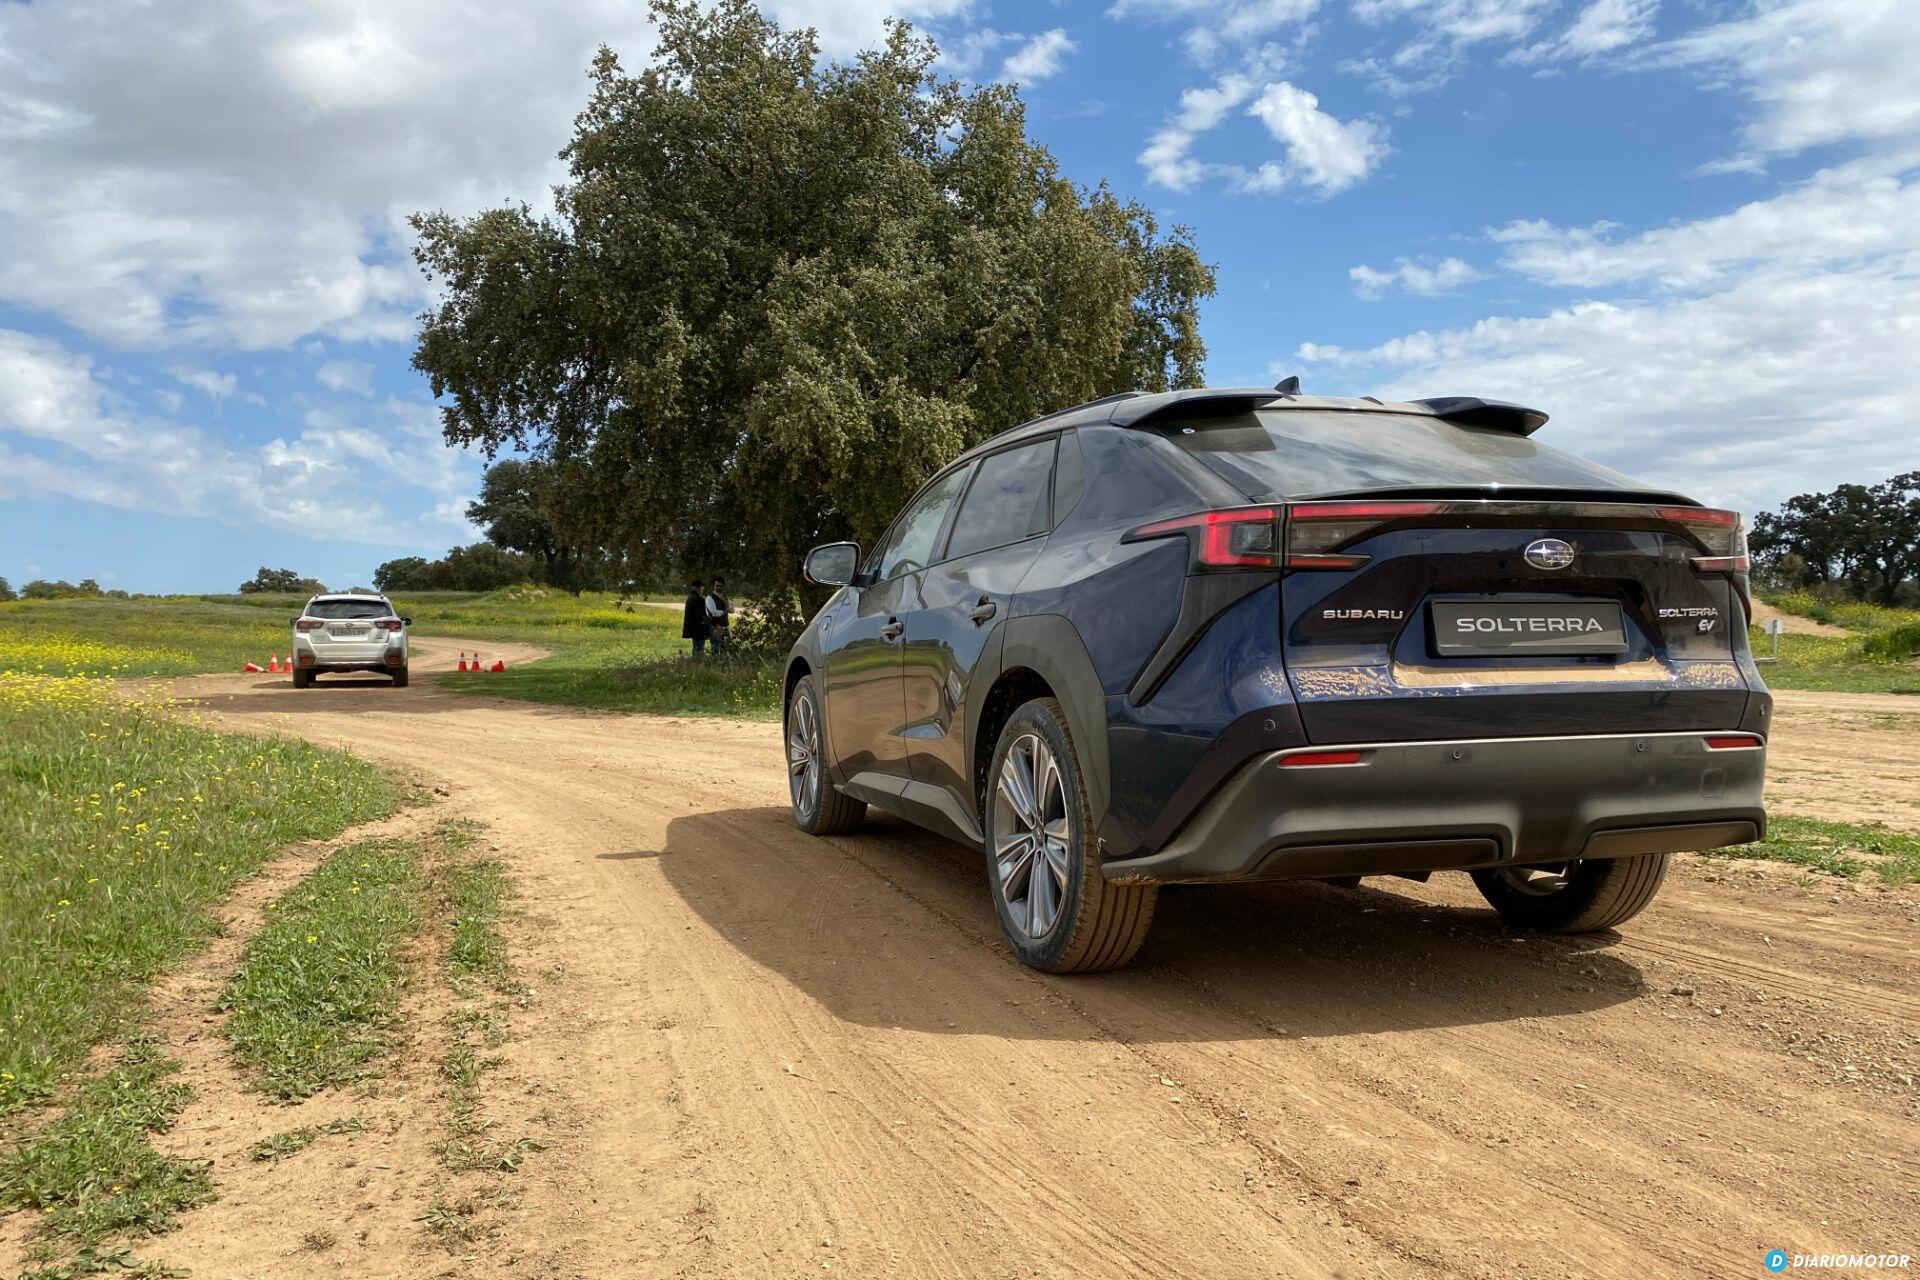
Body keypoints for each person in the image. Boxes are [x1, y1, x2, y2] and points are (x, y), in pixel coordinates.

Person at [681, 579, 710, 657]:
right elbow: (701, 616)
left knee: (696, 647)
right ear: (698, 588)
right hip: (699, 629)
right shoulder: (698, 600)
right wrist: (709, 623)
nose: (703, 589)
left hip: (693, 629)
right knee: (699, 649)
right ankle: (697, 662)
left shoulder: (690, 598)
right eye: (702, 587)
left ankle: (695, 661)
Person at [704, 576, 733, 653]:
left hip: (725, 627)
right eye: (717, 586)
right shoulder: (710, 598)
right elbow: (714, 613)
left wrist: (726, 603)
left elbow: (732, 610)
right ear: (714, 586)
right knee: (715, 650)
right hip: (715, 627)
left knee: (726, 650)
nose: (719, 587)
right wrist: (725, 610)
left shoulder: (725, 597)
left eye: (721, 586)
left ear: (723, 586)